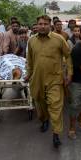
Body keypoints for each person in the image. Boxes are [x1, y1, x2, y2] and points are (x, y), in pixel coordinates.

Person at [26, 15, 72, 148]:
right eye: (40, 23)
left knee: (55, 106)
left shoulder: (59, 39)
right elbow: (29, 60)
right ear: (36, 25)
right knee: (40, 103)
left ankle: (56, 134)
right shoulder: (31, 41)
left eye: (45, 24)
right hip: (37, 79)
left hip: (55, 79)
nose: (42, 26)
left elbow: (68, 56)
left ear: (50, 25)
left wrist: (70, 73)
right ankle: (44, 120)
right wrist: (28, 74)